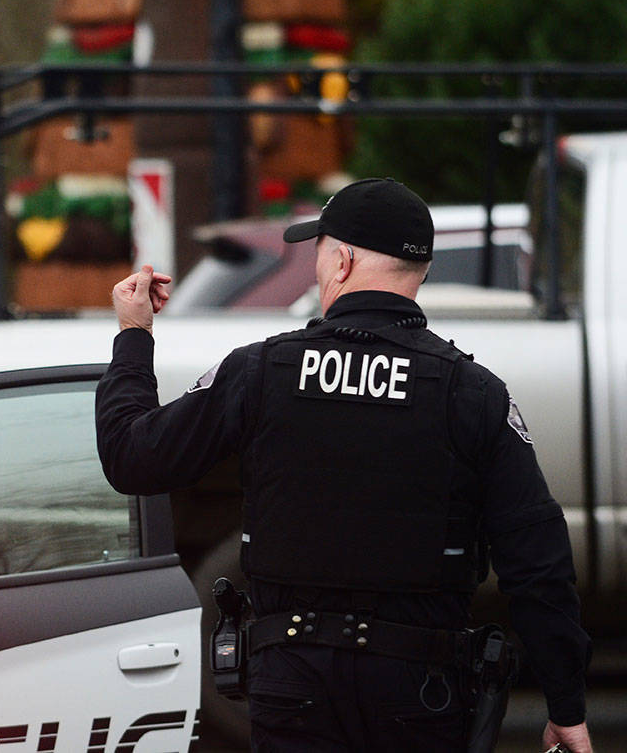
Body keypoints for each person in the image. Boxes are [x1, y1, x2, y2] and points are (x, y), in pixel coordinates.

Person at [96, 178, 593, 752]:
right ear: (422, 271)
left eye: (319, 250)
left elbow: (132, 458)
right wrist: (566, 706)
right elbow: (538, 563)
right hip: (420, 693)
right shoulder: (473, 393)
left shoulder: (262, 371)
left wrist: (134, 335)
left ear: (344, 261)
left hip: (293, 685)